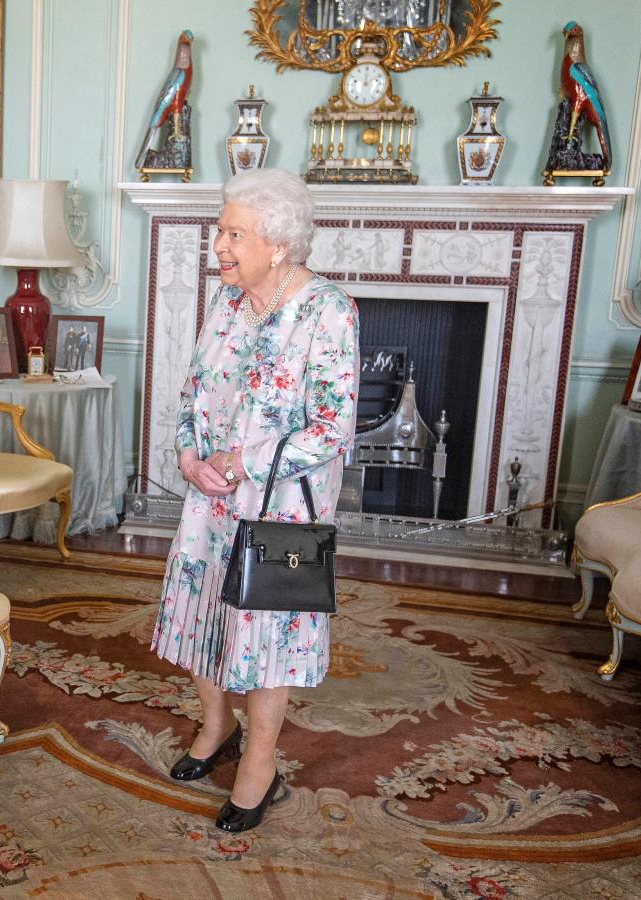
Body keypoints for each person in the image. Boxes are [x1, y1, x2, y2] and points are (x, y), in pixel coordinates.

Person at [150, 167, 359, 833]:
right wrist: (188, 456)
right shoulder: (229, 302)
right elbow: (191, 391)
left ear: (279, 243)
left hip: (286, 511)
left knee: (272, 636)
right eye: (220, 230)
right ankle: (216, 725)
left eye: (233, 233)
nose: (219, 245)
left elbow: (331, 429)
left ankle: (259, 761)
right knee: (203, 611)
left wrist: (241, 463)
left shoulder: (328, 311)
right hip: (209, 498)